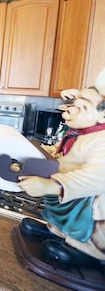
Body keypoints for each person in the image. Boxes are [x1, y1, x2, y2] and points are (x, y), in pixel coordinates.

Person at [18, 70, 105, 264]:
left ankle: (88, 251)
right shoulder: (84, 133)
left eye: (82, 107)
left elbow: (96, 178)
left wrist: (51, 186)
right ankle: (58, 231)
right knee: (65, 206)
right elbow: (66, 155)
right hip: (71, 195)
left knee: (95, 216)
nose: (70, 109)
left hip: (92, 200)